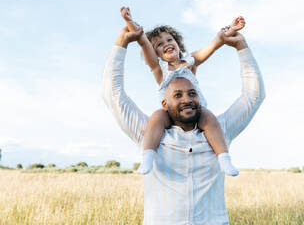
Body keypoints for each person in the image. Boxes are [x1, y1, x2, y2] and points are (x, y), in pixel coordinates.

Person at [102, 23, 265, 224]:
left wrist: (241, 48)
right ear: (165, 102)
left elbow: (253, 96)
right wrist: (122, 43)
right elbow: (113, 95)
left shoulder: (217, 130)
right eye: (177, 95)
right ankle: (147, 157)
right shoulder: (150, 132)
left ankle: (225, 159)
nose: (186, 99)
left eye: (192, 93)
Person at [120, 6, 245, 176]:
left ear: (177, 43)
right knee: (157, 117)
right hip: (171, 113)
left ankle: (224, 159)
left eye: (170, 40)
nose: (167, 44)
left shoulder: (190, 62)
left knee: (209, 118)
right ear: (155, 52)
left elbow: (213, 45)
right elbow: (142, 41)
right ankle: (147, 157)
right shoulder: (159, 68)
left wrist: (229, 31)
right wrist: (130, 23)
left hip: (195, 111)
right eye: (159, 44)